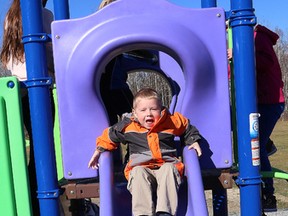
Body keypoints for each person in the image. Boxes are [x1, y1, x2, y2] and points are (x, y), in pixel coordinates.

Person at [88, 88, 202, 216]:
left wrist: (192, 140)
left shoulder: (170, 121)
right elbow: (110, 135)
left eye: (153, 109)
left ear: (161, 109)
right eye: (143, 110)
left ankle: (165, 212)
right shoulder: (128, 126)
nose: (149, 114)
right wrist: (99, 150)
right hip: (141, 169)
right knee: (137, 172)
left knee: (169, 168)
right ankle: (143, 213)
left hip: (165, 167)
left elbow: (186, 127)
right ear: (135, 113)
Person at [0, 0, 54, 215]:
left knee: (23, 149)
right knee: (42, 149)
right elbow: (50, 51)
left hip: (17, 90)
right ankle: (40, 196)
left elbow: (12, 58)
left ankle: (27, 196)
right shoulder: (45, 14)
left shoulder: (10, 15)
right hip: (38, 87)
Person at [254, 24, 285, 212]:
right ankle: (267, 144)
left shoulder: (259, 37)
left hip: (270, 101)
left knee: (256, 145)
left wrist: (239, 55)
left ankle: (268, 195)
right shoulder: (251, 38)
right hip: (261, 102)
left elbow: (265, 63)